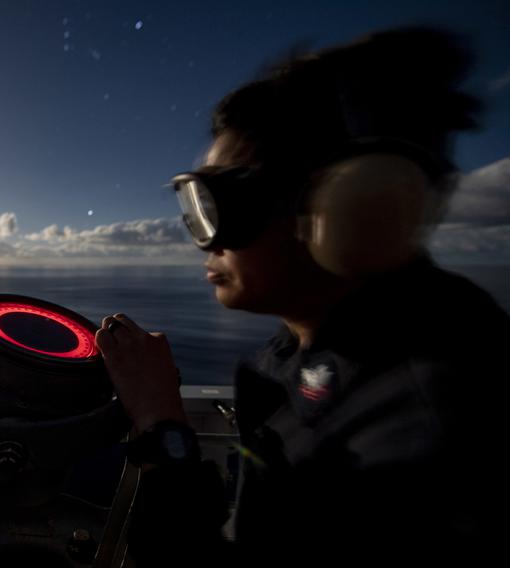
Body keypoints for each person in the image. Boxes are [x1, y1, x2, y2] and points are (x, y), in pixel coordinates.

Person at [94, 27, 509, 564]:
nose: (202, 239)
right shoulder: (303, 358)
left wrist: (160, 425)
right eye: (193, 204)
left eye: (219, 202)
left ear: (344, 209)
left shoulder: (433, 434)